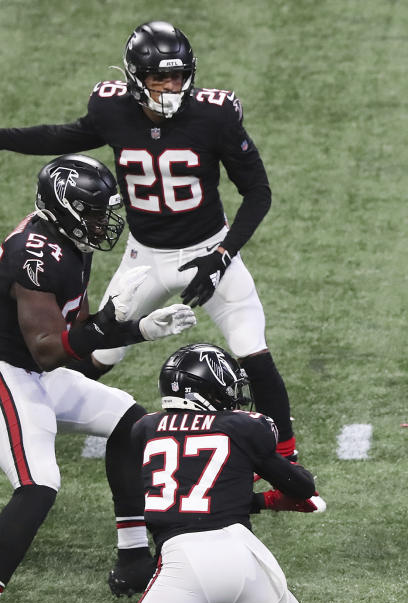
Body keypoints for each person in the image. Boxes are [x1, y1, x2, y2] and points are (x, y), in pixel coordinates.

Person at [0, 20, 301, 491]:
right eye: (161, 78)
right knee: (95, 348)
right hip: (143, 255)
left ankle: (288, 464)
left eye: (178, 77)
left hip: (208, 247)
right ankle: (28, 416)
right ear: (136, 76)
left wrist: (222, 255)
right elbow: (64, 136)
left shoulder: (214, 115)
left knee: (253, 352)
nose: (171, 87)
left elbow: (258, 193)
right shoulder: (112, 107)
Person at [112, 343, 376, 603]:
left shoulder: (145, 429)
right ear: (205, 390)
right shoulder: (242, 427)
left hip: (182, 561)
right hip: (244, 556)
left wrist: (257, 499)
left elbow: (189, 493)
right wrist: (273, 496)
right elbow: (299, 486)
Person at [0, 154, 196, 603]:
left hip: (33, 371)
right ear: (64, 209)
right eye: (92, 211)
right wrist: (110, 325)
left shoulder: (70, 240)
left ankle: (133, 557)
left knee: (128, 419)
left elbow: (77, 342)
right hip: (8, 371)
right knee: (39, 482)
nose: (101, 222)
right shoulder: (36, 254)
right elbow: (48, 351)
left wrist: (136, 331)